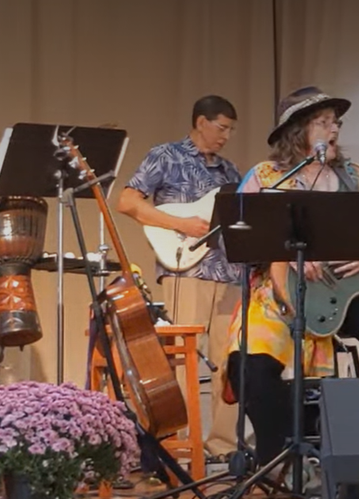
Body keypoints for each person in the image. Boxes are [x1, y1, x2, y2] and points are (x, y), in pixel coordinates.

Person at [225, 87, 359, 466]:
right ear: (297, 130)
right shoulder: (267, 176)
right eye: (323, 122)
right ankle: (275, 460)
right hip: (283, 290)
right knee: (250, 363)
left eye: (336, 123)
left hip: (353, 290)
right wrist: (286, 253)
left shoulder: (356, 176)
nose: (334, 130)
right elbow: (242, 236)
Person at [117, 95, 243, 459]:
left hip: (228, 274)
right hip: (186, 269)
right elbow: (127, 202)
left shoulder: (230, 172)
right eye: (221, 128)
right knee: (183, 359)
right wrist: (180, 224)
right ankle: (181, 445)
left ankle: (224, 446)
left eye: (231, 130)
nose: (226, 136)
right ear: (201, 122)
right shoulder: (166, 156)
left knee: (230, 361)